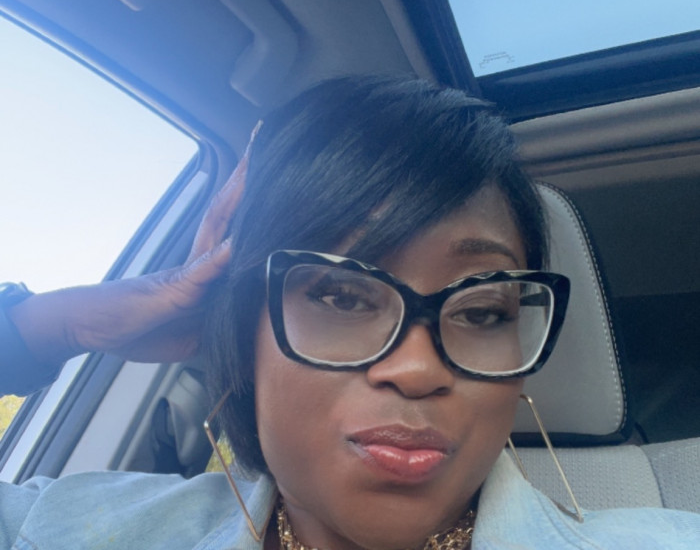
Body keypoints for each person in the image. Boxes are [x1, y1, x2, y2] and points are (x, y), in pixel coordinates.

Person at [1, 76, 699, 549]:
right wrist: (54, 326)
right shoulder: (69, 529)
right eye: (340, 296)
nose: (418, 369)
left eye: (483, 310)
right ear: (242, 330)